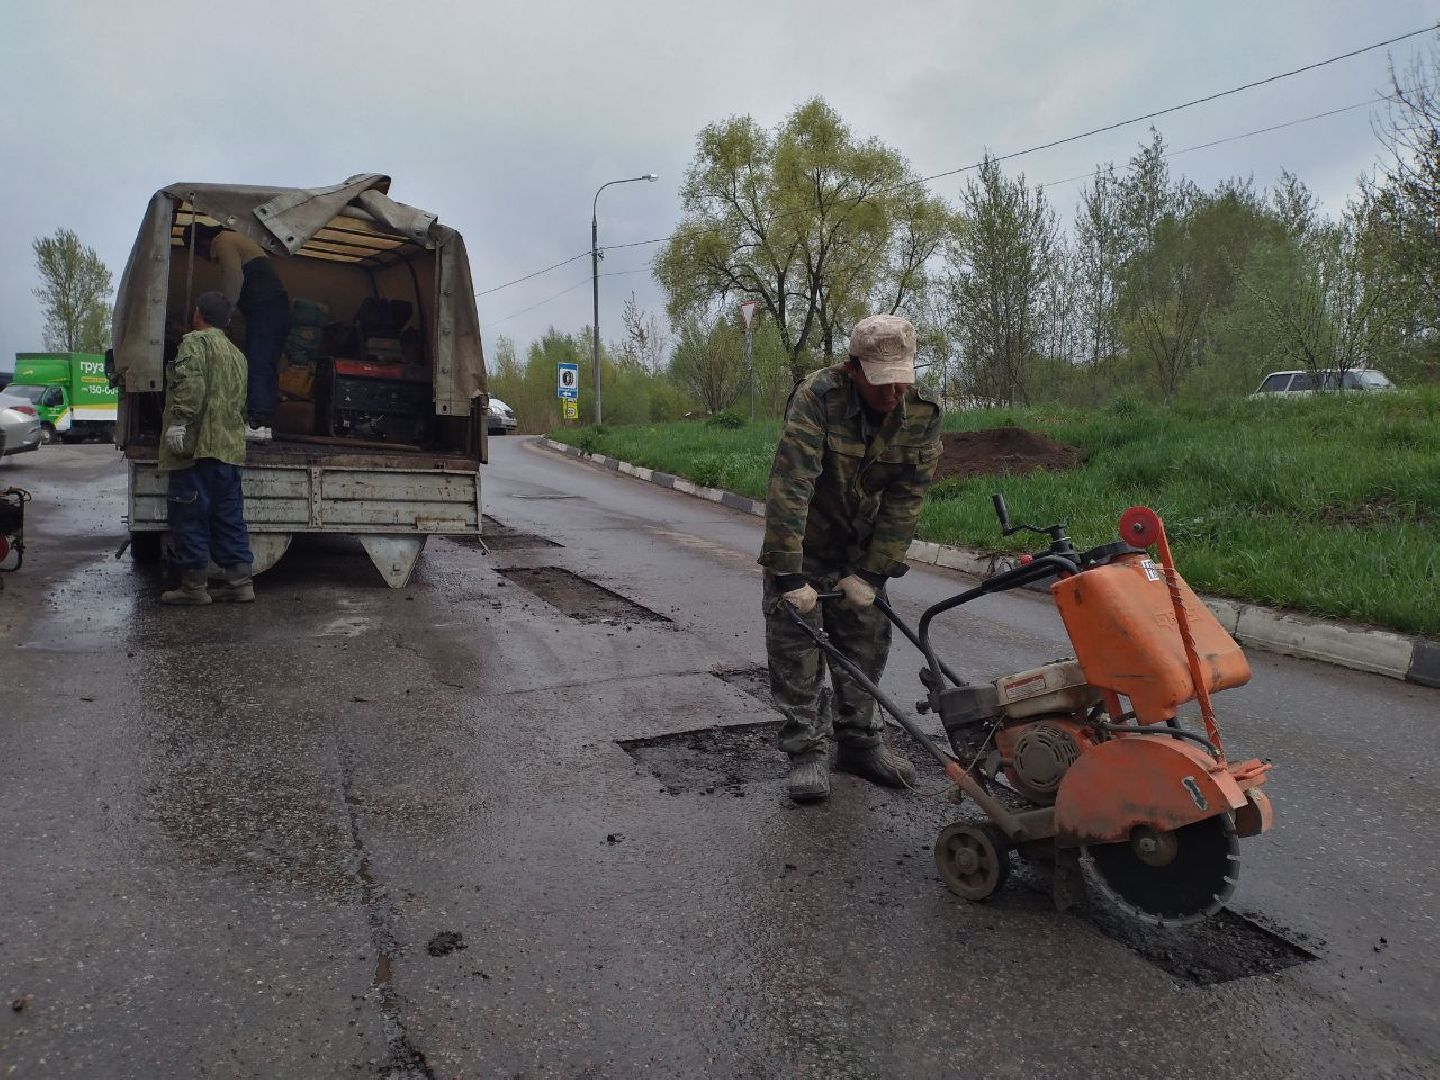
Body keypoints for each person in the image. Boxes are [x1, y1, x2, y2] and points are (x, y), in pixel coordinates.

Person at [760, 314, 943, 802]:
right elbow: (791, 484)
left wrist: (871, 572)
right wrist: (787, 573)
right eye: (881, 383)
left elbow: (906, 502)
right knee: (796, 647)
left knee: (865, 642)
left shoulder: (921, 415)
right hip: (807, 541)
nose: (893, 395)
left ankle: (859, 742)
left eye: (901, 381)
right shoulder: (819, 397)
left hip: (860, 549)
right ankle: (807, 751)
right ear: (854, 368)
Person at [157, 291, 255, 606]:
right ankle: (241, 584)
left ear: (198, 313)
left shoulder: (194, 344)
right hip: (229, 451)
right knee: (229, 518)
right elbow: (240, 403)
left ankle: (193, 589)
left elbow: (190, 386)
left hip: (197, 450)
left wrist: (179, 422)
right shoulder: (237, 355)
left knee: (190, 516)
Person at [182, 223, 290, 441]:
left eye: (199, 252)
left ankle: (257, 424)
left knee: (258, 364)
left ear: (202, 242)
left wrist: (225, 312)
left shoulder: (224, 241)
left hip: (266, 309)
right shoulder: (239, 241)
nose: (204, 258)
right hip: (276, 308)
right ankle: (265, 425)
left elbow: (234, 278)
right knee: (267, 365)